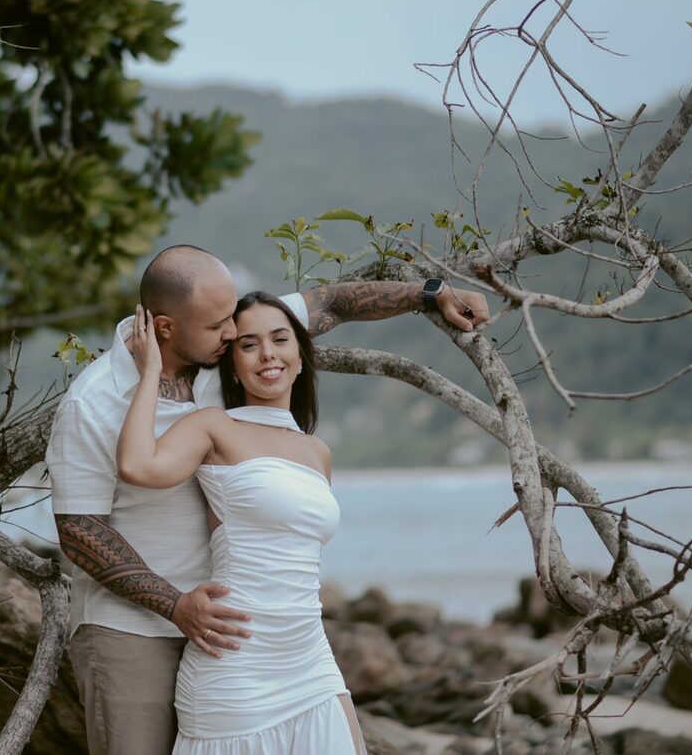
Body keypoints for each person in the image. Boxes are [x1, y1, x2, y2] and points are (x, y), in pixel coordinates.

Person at [46, 245, 488, 755]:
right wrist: (175, 606)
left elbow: (335, 303)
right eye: (221, 329)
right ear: (166, 328)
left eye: (237, 324)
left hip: (241, 630)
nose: (235, 335)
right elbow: (79, 530)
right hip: (132, 632)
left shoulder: (223, 343)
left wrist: (431, 294)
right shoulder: (92, 402)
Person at [118, 291, 364, 753]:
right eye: (249, 344)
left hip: (310, 658)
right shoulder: (214, 426)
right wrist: (151, 370)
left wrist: (432, 295)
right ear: (232, 364)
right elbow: (137, 465)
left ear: (299, 356)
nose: (268, 353)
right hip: (236, 662)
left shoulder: (318, 452)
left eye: (280, 339)